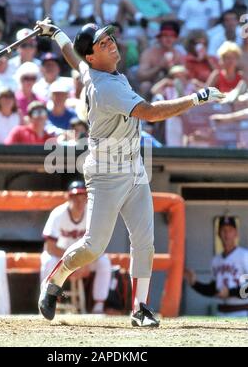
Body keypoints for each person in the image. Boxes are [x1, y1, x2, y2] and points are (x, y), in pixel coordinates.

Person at [35, 17, 225, 327]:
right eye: (102, 43)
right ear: (93, 55)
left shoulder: (97, 70)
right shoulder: (106, 87)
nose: (110, 43)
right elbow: (151, 113)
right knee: (92, 247)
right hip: (106, 172)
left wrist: (55, 32)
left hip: (133, 166)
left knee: (144, 241)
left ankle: (140, 309)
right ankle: (54, 281)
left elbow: (73, 58)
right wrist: (196, 98)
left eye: (109, 38)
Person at [41, 181, 111, 314]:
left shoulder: (92, 214)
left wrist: (83, 262)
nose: (79, 202)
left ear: (86, 199)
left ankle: (99, 306)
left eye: (82, 198)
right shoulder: (58, 214)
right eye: (75, 198)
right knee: (47, 260)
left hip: (84, 258)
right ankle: (47, 300)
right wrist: (73, 263)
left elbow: (99, 245)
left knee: (104, 262)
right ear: (69, 198)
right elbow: (50, 247)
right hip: (59, 258)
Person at [184, 216, 248, 317]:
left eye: (230, 230)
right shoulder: (216, 260)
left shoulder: (244, 255)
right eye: (223, 230)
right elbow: (213, 289)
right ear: (218, 233)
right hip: (221, 313)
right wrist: (194, 283)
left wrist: (231, 292)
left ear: (236, 233)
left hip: (242, 312)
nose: (226, 234)